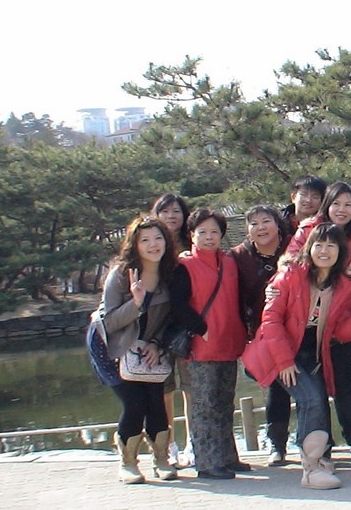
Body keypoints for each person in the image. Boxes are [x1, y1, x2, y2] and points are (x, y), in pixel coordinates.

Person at [242, 224, 351, 489]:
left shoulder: (343, 286)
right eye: (319, 245)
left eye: (331, 246)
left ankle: (318, 460)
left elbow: (341, 332)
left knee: (318, 401)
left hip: (312, 354)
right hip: (280, 352)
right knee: (311, 398)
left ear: (340, 252)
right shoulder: (290, 275)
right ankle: (311, 469)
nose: (324, 251)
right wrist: (285, 362)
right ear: (309, 248)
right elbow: (271, 320)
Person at [285, 181, 351, 464]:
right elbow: (289, 263)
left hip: (341, 322)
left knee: (347, 387)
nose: (342, 210)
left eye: (348, 204)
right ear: (327, 205)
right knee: (315, 391)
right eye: (336, 203)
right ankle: (320, 446)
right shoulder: (309, 230)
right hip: (308, 326)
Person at [169, 208, 249, 479]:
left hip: (229, 341)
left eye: (214, 231)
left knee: (225, 403)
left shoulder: (229, 262)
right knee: (205, 406)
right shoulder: (185, 266)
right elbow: (178, 304)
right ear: (191, 235)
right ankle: (206, 462)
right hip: (202, 347)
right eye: (202, 232)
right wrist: (200, 329)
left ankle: (227, 457)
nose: (209, 237)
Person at [101, 215, 179, 484]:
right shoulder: (121, 274)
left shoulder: (170, 274)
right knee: (135, 404)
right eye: (145, 240)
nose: (153, 245)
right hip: (116, 350)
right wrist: (136, 302)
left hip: (151, 350)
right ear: (134, 244)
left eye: (158, 238)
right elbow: (109, 322)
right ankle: (127, 463)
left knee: (156, 402)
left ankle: (161, 460)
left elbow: (171, 319)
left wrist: (157, 345)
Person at [229, 205, 292, 466]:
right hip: (263, 333)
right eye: (254, 223)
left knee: (310, 387)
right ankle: (277, 444)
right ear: (247, 230)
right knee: (277, 387)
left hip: (299, 327)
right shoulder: (238, 256)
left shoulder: (294, 247)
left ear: (278, 225)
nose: (261, 227)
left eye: (266, 221)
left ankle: (317, 443)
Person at [150, 193, 192, 463]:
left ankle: (193, 443)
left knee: (191, 387)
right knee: (164, 389)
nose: (171, 216)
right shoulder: (150, 245)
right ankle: (169, 445)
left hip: (187, 325)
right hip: (157, 328)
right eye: (164, 211)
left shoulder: (194, 241)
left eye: (176, 211)